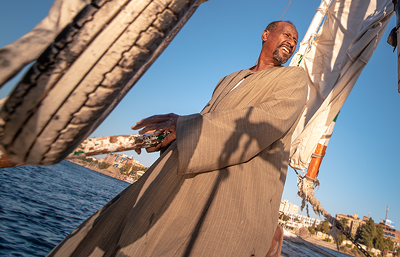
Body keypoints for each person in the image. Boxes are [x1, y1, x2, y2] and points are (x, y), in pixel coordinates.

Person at [49, 21, 308, 257]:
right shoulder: (229, 80)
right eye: (287, 34)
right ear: (265, 34)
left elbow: (264, 122)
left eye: (295, 40)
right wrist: (171, 137)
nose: (291, 42)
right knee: (114, 231)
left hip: (232, 196)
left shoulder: (293, 78)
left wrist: (184, 126)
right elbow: (208, 119)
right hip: (182, 175)